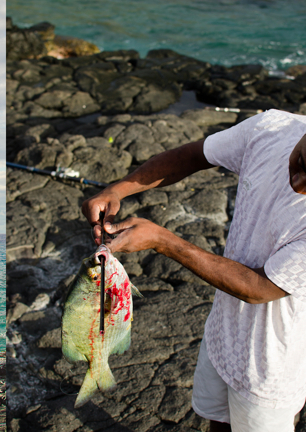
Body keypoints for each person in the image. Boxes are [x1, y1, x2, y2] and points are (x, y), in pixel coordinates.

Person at [82, 109, 306, 432]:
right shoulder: (270, 127)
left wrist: (161, 240)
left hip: (269, 372)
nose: (297, 184)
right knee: (216, 422)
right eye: (303, 164)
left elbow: (259, 286)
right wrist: (117, 190)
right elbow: (194, 155)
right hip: (222, 336)